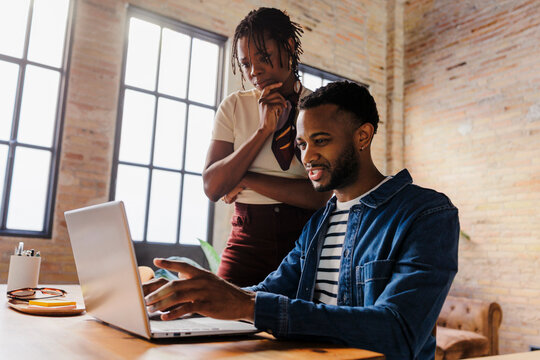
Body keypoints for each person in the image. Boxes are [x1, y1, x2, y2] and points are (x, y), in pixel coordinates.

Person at [145, 81, 459, 360]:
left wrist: (248, 305)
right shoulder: (319, 222)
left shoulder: (426, 214)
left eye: (321, 141)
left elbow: (398, 332)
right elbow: (270, 291)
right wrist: (193, 297)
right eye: (302, 144)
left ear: (363, 136)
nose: (307, 156)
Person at [203, 7, 331, 286]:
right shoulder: (234, 106)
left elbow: (318, 196)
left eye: (263, 57)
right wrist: (264, 130)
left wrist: (243, 177)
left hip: (305, 242)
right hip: (246, 241)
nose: (255, 71)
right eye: (246, 63)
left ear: (289, 46)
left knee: (296, 326)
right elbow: (213, 187)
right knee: (219, 321)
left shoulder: (321, 107)